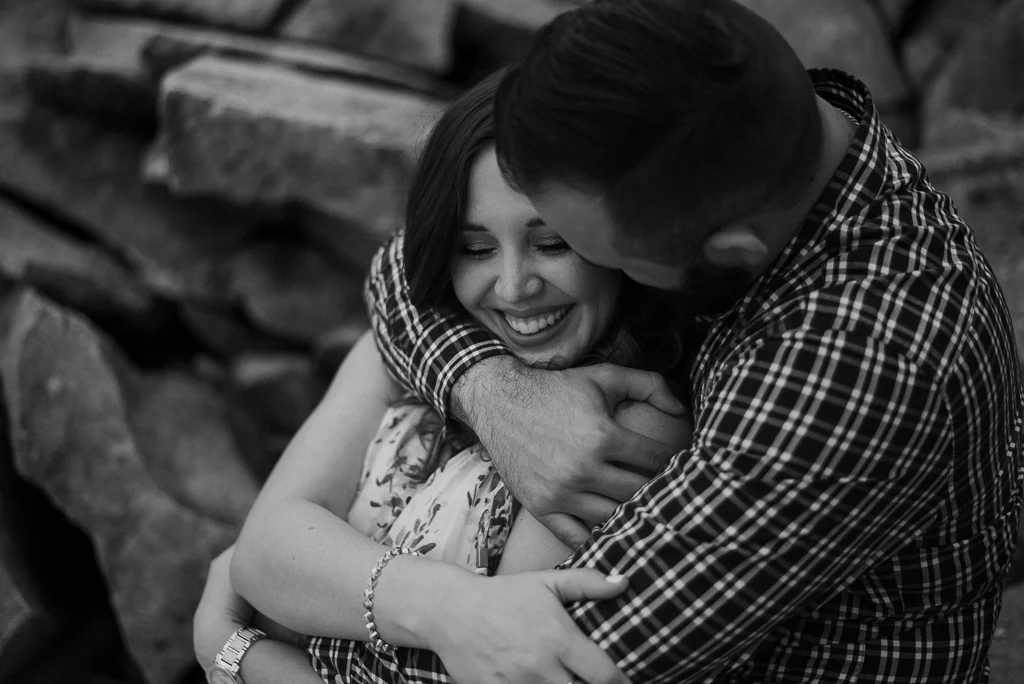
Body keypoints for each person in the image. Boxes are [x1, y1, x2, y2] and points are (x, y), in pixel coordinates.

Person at [330, 0, 1024, 682]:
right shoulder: (725, 127)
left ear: (728, 252)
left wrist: (256, 645)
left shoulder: (852, 370)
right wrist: (492, 391)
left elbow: (540, 659)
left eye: (573, 247)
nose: (513, 286)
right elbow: (404, 269)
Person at [193, 69, 693, 684]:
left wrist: (238, 651)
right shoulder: (416, 344)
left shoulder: (634, 419)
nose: (513, 289)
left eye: (553, 243)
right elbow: (263, 553)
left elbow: (481, 669)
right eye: (476, 250)